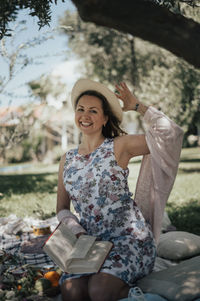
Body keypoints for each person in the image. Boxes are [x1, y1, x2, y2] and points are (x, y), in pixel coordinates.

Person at [56, 79, 183, 301]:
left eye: (93, 111)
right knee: (71, 293)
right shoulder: (67, 159)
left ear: (105, 118)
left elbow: (169, 135)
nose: (85, 115)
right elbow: (62, 209)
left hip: (128, 239)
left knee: (99, 291)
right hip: (89, 244)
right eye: (81, 109)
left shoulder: (119, 146)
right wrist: (76, 230)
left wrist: (137, 106)